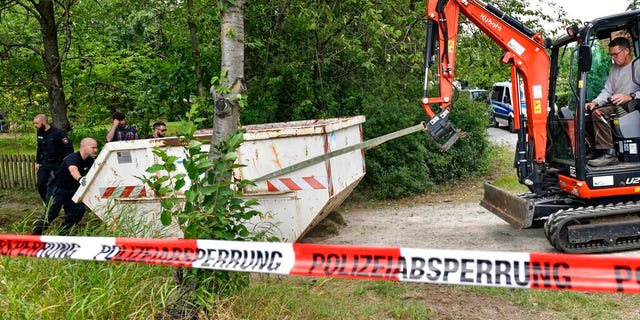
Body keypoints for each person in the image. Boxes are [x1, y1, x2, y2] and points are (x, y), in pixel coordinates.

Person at [585, 37, 640, 167]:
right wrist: (595, 102)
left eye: (616, 54)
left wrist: (631, 96)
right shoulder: (614, 68)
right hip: (617, 103)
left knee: (599, 113)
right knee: (588, 111)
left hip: (633, 105)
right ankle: (596, 149)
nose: (613, 58)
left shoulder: (638, 65)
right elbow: (607, 91)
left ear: (626, 50)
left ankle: (609, 154)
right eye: (611, 55)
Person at [32, 137, 98, 236]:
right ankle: (34, 236)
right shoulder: (72, 158)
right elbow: (73, 170)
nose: (95, 150)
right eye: (93, 147)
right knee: (50, 215)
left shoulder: (90, 161)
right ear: (84, 147)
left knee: (78, 211)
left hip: (73, 191)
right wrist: (80, 179)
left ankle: (63, 234)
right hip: (58, 189)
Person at [33, 114, 74, 202]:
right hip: (46, 162)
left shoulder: (59, 133)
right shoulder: (40, 133)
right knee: (41, 184)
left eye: (37, 123)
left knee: (61, 184)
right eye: (34, 123)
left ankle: (62, 202)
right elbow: (39, 148)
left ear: (44, 122)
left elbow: (69, 149)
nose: (35, 125)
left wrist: (67, 163)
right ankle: (47, 203)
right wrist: (38, 162)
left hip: (58, 163)